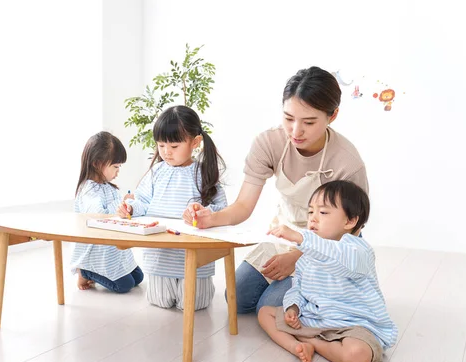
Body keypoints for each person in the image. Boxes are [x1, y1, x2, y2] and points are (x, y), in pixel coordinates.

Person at [183, 66, 369, 315]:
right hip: (285, 236)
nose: (295, 131)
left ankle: (337, 292)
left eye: (309, 122)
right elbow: (243, 206)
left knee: (269, 307)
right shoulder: (270, 142)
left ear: (332, 116)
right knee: (237, 298)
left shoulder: (347, 162)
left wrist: (299, 257)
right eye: (289, 118)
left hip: (329, 247)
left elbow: (350, 232)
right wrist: (210, 218)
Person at [258, 180, 397, 362]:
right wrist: (293, 308)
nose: (313, 219)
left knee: (357, 355)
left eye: (323, 212)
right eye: (310, 212)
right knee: (265, 313)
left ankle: (313, 343)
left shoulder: (358, 251)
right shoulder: (307, 255)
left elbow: (339, 260)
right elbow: (298, 287)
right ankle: (297, 346)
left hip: (353, 325)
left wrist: (301, 238)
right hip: (317, 319)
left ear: (350, 221)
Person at [118, 105, 227, 310]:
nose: (166, 152)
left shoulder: (204, 173)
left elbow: (221, 208)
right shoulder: (156, 172)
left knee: (193, 304)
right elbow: (141, 201)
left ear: (195, 142)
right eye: (161, 145)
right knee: (161, 301)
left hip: (194, 257)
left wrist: (205, 212)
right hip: (161, 256)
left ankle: (200, 287)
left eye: (174, 146)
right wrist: (130, 208)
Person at [70, 131, 143, 293]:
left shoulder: (108, 187)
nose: (118, 171)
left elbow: (117, 210)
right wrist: (120, 206)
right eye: (115, 166)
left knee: (138, 278)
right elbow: (97, 216)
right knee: (124, 286)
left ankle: (100, 271)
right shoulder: (88, 189)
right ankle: (86, 271)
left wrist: (126, 204)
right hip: (98, 249)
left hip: (113, 248)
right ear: (97, 163)